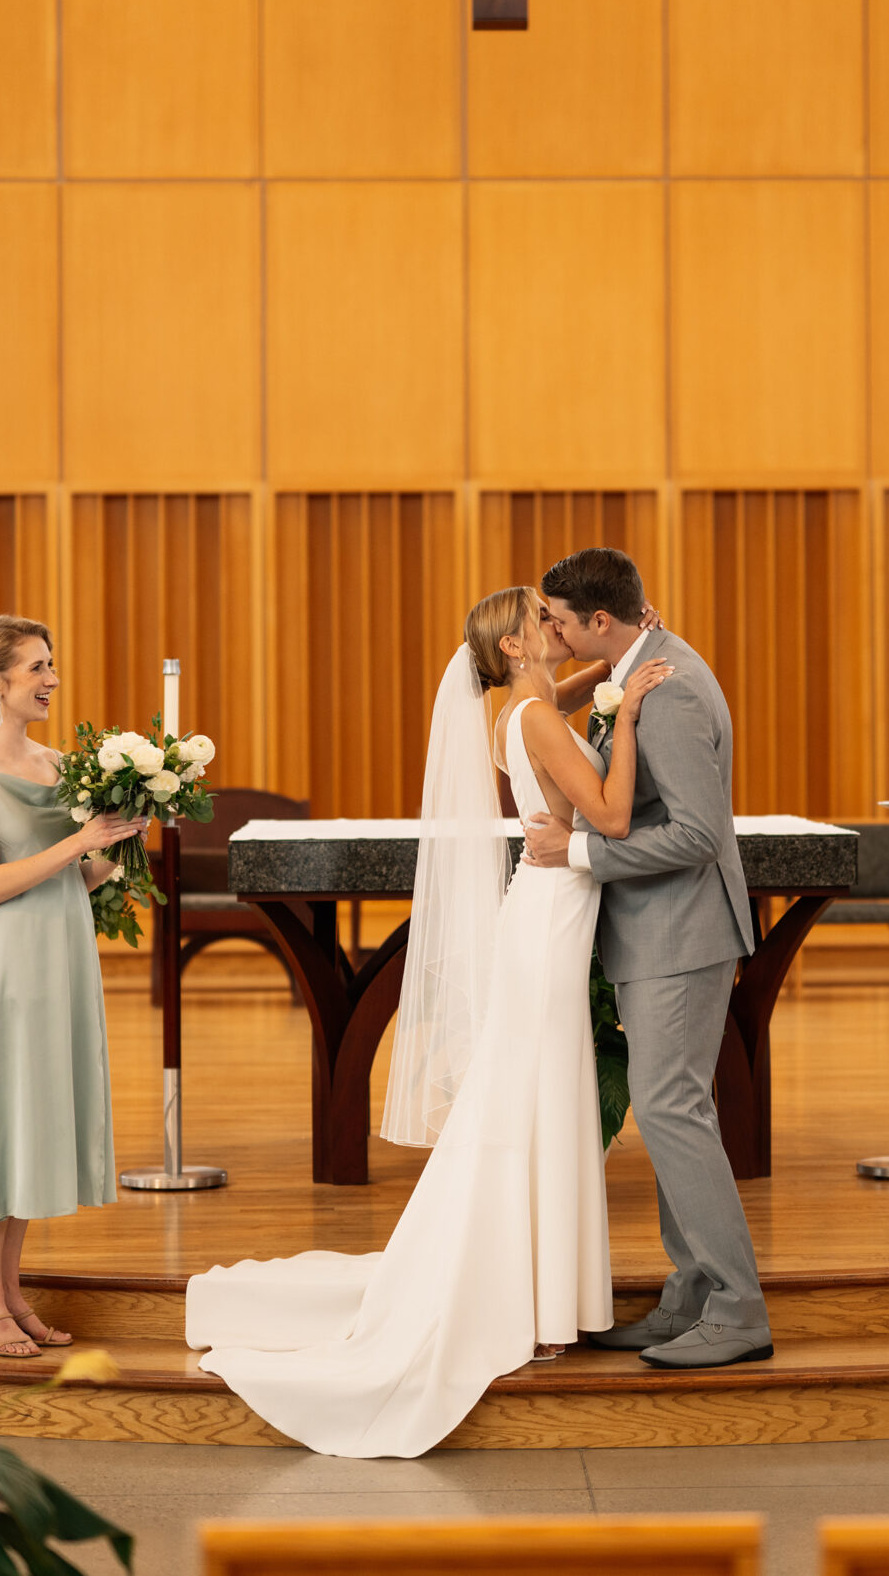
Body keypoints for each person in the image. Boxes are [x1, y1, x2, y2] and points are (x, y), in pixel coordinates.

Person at [186, 586, 664, 1456]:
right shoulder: (543, 719)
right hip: (555, 914)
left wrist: (607, 666)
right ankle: (544, 1300)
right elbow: (613, 815)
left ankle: (544, 1293)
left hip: (539, 912)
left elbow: (555, 702)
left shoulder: (512, 715)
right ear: (517, 645)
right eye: (542, 622)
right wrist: (626, 713)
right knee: (542, 1096)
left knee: (533, 1095)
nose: (555, 628)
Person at [522, 547, 769, 1371]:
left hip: (681, 932)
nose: (550, 628)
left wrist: (580, 854)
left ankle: (737, 1308)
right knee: (673, 1112)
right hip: (659, 930)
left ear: (600, 621)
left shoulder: (673, 687)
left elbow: (700, 833)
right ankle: (691, 1293)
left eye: (558, 617)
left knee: (671, 1110)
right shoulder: (637, 670)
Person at [0, 616, 145, 1358]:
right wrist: (80, 839)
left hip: (63, 947)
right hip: (12, 956)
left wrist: (120, 843)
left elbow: (76, 877)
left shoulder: (58, 763)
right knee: (3, 1114)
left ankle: (7, 1288)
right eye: (36, 667)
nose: (51, 678)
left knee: (34, 1115)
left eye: (51, 664)